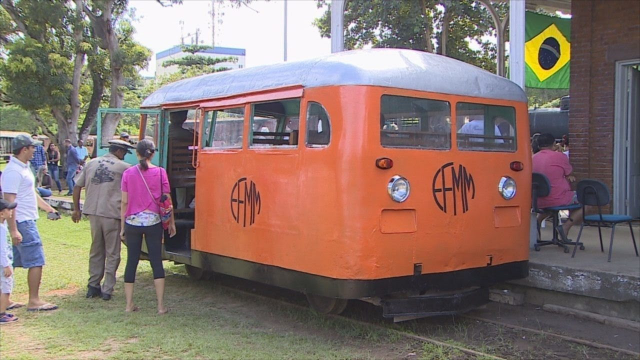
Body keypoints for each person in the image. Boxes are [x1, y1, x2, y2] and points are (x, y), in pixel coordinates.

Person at [1, 134, 59, 312]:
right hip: (22, 222)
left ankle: (6, 299)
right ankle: (34, 300)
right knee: (36, 260)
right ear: (24, 149)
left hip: (25, 220)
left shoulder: (24, 168)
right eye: (33, 147)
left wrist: (48, 208)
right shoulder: (13, 171)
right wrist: (14, 230)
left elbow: (31, 193)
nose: (36, 150)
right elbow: (10, 200)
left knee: (13, 262)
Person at [72, 140, 135, 301]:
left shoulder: (91, 163)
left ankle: (93, 285)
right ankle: (107, 288)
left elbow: (77, 186)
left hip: (93, 212)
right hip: (112, 214)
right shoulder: (125, 168)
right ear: (120, 152)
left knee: (96, 250)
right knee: (112, 252)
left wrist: (76, 209)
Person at [120, 139, 176, 314]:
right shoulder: (160, 173)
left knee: (131, 261)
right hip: (154, 222)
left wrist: (122, 226)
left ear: (137, 153)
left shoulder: (128, 173)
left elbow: (124, 202)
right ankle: (160, 306)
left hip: (132, 222)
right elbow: (167, 201)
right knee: (156, 261)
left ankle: (129, 304)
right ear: (153, 154)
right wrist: (171, 222)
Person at [532, 133, 583, 242]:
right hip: (558, 198)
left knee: (550, 203)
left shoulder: (532, 158)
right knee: (587, 200)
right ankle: (566, 227)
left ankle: (538, 221)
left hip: (538, 200)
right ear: (554, 144)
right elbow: (569, 173)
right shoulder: (559, 156)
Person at [0, 199, 19, 324]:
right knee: (6, 288)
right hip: (3, 264)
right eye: (9, 209)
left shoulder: (3, 226)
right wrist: (6, 265)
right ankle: (2, 314)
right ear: (1, 214)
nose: (11, 211)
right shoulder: (1, 229)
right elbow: (2, 249)